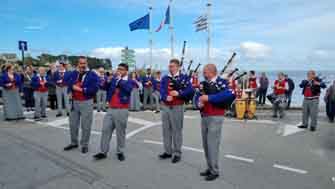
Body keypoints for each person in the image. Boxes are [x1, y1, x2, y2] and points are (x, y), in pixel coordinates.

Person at [194, 64, 235, 181]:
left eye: (205, 72)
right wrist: (198, 103)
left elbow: (229, 94)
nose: (203, 74)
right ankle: (210, 167)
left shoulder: (222, 82)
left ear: (211, 72)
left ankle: (215, 171)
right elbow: (197, 96)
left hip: (216, 116)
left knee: (212, 144)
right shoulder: (202, 84)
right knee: (206, 145)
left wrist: (210, 98)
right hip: (204, 116)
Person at [93, 63, 133, 162]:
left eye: (121, 69)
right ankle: (103, 152)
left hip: (122, 109)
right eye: (118, 69)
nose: (119, 71)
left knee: (120, 132)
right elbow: (104, 87)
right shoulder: (114, 79)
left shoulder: (129, 80)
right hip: (110, 108)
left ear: (126, 71)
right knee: (105, 130)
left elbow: (128, 89)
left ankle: (120, 151)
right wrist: (108, 81)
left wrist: (119, 80)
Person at [159, 59, 194, 163]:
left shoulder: (184, 78)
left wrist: (179, 93)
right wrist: (165, 97)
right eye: (170, 66)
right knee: (166, 130)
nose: (171, 68)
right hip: (166, 106)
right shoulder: (165, 78)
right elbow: (161, 90)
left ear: (178, 67)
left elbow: (190, 90)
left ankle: (177, 153)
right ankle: (168, 151)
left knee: (177, 131)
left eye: (173, 66)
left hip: (177, 107)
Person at [64, 57, 99, 153]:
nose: (82, 65)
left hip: (86, 102)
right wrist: (71, 87)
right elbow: (66, 81)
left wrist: (82, 89)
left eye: (84, 63)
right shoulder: (74, 73)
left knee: (86, 125)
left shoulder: (92, 74)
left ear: (86, 64)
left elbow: (95, 88)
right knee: (73, 124)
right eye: (80, 63)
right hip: (74, 102)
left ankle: (85, 144)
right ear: (78, 64)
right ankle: (74, 142)